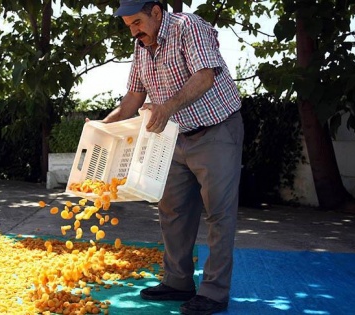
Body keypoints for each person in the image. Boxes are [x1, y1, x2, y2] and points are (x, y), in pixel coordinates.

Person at [104, 1, 244, 314]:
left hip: (217, 130)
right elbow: (134, 98)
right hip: (175, 136)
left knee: (219, 212)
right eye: (129, 26)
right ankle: (178, 281)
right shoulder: (142, 47)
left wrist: (166, 108)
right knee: (172, 210)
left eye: (137, 22)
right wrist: (103, 126)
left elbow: (205, 75)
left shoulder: (187, 26)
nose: (134, 31)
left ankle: (214, 292)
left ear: (156, 12)